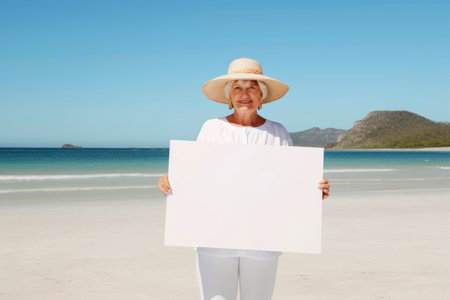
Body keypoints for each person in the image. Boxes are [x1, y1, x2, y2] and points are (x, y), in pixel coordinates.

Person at [158, 58, 330, 300]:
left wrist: (314, 191)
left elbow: (289, 185)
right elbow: (195, 177)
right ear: (229, 95)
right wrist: (171, 181)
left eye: (252, 87)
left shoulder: (277, 132)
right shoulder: (212, 128)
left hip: (263, 240)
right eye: (237, 87)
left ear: (262, 95)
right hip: (214, 239)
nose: (244, 94)